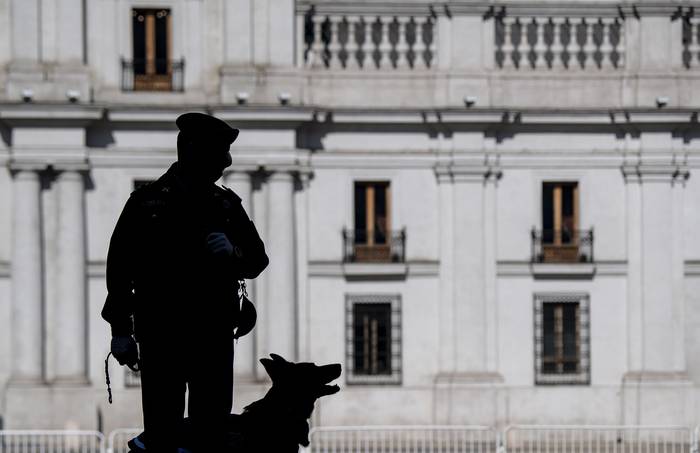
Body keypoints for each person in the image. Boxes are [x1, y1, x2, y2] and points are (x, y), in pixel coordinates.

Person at [101, 112, 269, 452]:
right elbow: (119, 270)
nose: (226, 162)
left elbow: (257, 260)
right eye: (219, 152)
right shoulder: (145, 203)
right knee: (162, 430)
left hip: (213, 333)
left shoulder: (225, 204)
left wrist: (233, 251)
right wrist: (120, 331)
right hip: (161, 334)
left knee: (211, 430)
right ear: (192, 150)